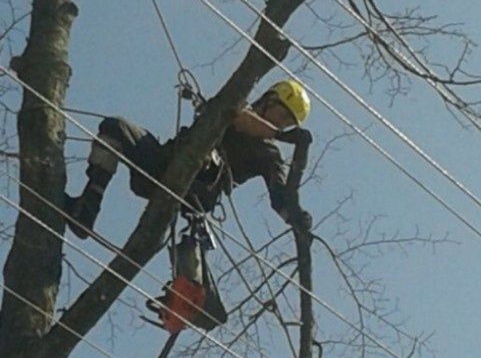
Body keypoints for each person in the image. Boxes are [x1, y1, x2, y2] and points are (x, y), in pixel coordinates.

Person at [64, 80, 313, 239]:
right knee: (115, 128)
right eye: (280, 116)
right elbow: (237, 116)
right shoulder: (235, 107)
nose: (278, 124)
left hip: (197, 191)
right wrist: (282, 134)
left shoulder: (269, 155)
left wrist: (296, 217)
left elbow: (279, 197)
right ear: (267, 100)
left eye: (286, 123)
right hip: (166, 162)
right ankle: (87, 206)